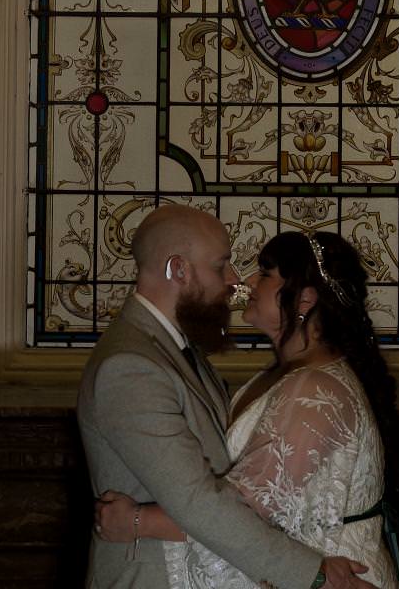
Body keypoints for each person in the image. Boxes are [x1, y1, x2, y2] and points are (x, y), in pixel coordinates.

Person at [77, 206, 373, 589]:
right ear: (178, 269)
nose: (236, 281)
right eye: (221, 266)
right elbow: (198, 500)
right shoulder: (130, 366)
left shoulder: (180, 351)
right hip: (154, 577)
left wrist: (139, 520)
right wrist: (312, 574)